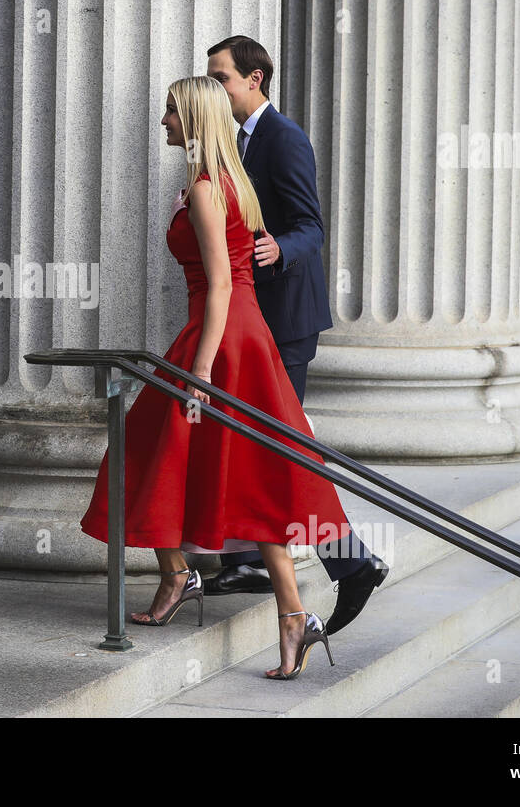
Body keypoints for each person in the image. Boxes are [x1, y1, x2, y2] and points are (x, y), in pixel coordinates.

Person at [79, 76, 349, 679]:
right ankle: (289, 615)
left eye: (172, 113)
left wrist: (199, 371)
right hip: (239, 336)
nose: (164, 122)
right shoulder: (232, 182)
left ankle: (184, 575)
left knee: (143, 452)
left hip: (220, 340)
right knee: (247, 473)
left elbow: (223, 283)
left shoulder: (206, 187)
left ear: (195, 119)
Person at [202, 35, 388, 636]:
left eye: (221, 77)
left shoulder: (284, 139)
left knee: (284, 452)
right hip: (249, 324)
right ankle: (249, 557)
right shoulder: (228, 140)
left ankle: (350, 561)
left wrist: (280, 246)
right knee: (259, 447)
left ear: (254, 80)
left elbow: (311, 226)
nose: (215, 87)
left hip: (284, 324)